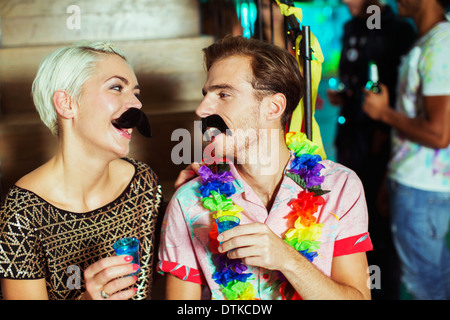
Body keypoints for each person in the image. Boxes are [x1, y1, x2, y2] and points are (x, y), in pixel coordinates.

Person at [158, 35, 373, 300]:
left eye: (223, 94)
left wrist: (288, 260)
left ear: (273, 107)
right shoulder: (188, 201)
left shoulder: (339, 186)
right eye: (206, 95)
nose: (202, 109)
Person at [0, 42, 162, 300]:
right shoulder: (23, 212)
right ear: (67, 104)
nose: (136, 104)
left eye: (135, 92)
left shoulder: (143, 182)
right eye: (117, 87)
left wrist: (194, 192)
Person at [327, 0, 416, 299]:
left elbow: (402, 93)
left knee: (378, 222)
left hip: (382, 142)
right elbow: (353, 74)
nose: (344, 2)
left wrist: (382, 130)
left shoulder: (399, 30)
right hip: (350, 136)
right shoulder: (351, 27)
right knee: (348, 213)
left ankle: (382, 291)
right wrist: (344, 94)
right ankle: (354, 283)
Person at [363, 0, 450, 300]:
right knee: (433, 277)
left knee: (425, 287)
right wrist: (392, 175)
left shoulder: (441, 45)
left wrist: (382, 113)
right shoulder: (428, 41)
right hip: (413, 183)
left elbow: (439, 135)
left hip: (422, 189)